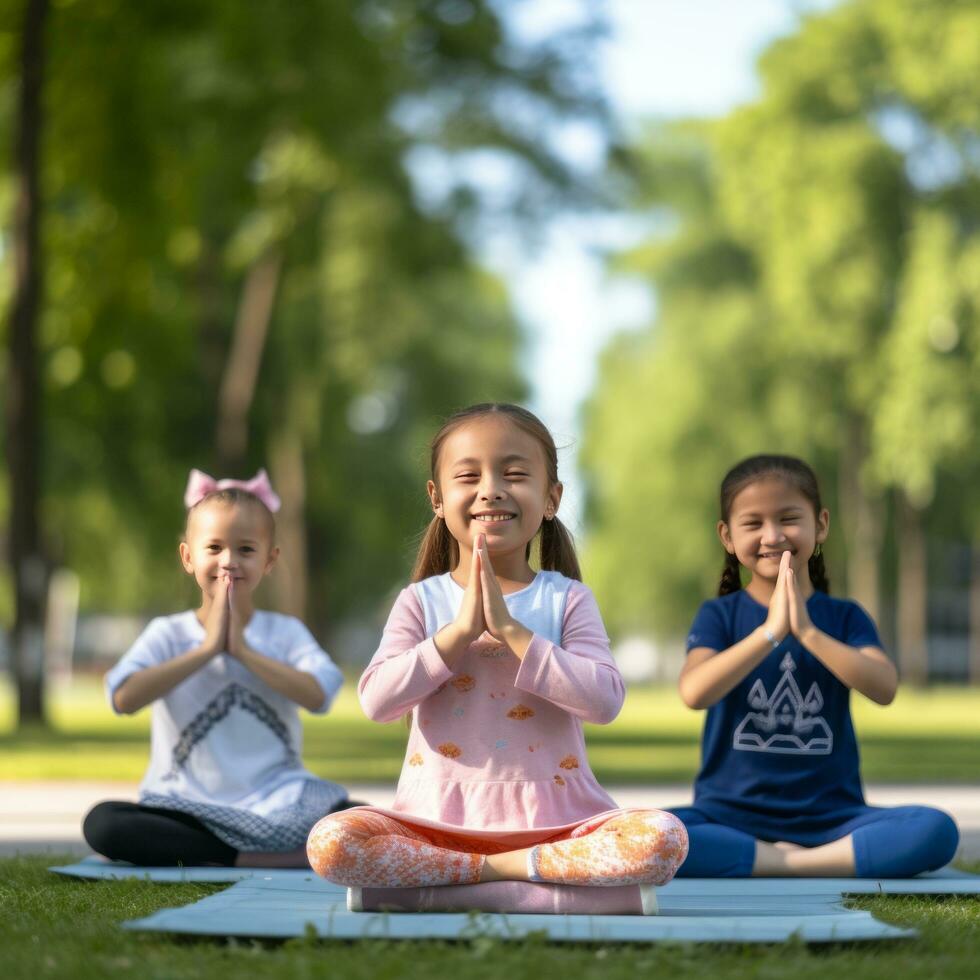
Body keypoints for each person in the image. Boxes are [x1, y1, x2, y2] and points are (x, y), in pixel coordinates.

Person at [307, 403, 688, 891]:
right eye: (468, 475)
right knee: (331, 842)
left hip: (557, 829)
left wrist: (513, 633)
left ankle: (450, 890)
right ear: (437, 498)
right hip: (437, 829)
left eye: (513, 474)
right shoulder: (420, 602)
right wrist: (457, 635)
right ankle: (515, 883)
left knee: (662, 838)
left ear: (552, 498)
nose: (491, 489)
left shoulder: (567, 598)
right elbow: (377, 701)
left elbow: (605, 701)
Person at [671, 454, 959, 878]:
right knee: (645, 832)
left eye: (789, 518)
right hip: (729, 816)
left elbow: (884, 687)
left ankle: (782, 863)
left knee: (935, 830)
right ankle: (801, 862)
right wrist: (770, 632)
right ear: (727, 536)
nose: (773, 536)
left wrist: (806, 632)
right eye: (753, 523)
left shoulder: (844, 617)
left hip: (832, 819)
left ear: (820, 525)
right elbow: (694, 692)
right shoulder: (720, 616)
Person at [83, 469, 352, 867]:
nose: (229, 562)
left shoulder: (285, 633)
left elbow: (320, 695)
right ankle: (252, 856)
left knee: (355, 816)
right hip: (186, 806)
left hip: (277, 800)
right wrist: (207, 650)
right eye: (214, 548)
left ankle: (238, 853)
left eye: (246, 550)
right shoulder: (168, 633)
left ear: (270, 559)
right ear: (188, 557)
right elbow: (122, 698)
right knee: (104, 824)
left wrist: (242, 652)